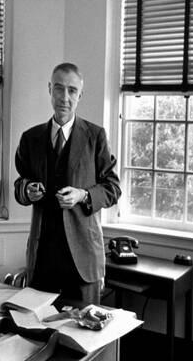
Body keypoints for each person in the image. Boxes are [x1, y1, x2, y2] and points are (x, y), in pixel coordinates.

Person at [14, 63, 121, 307]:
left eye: (72, 91)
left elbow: (113, 188)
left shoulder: (96, 136)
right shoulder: (30, 138)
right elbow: (20, 184)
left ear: (80, 95)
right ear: (50, 90)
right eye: (59, 89)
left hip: (83, 259)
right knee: (38, 332)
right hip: (43, 259)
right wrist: (28, 190)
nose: (64, 97)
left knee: (83, 336)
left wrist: (83, 195)